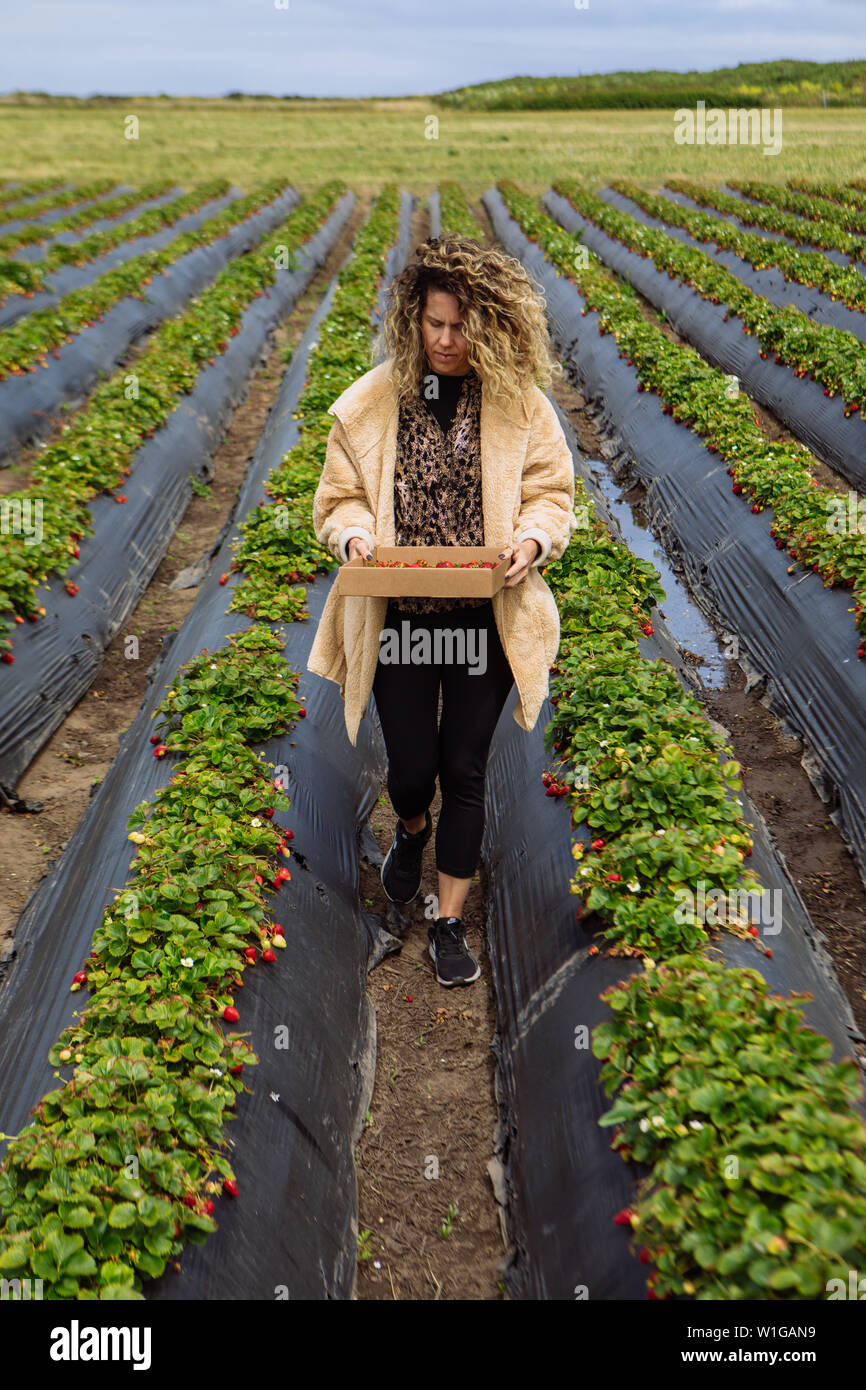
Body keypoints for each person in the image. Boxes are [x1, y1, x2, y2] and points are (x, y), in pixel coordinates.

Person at [307, 234, 576, 987]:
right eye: (434, 324)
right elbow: (339, 499)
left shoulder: (522, 407)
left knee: (464, 766)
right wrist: (355, 533)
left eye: (462, 326)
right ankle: (410, 831)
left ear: (489, 326)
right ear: (412, 320)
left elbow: (552, 495)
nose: (448, 341)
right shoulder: (371, 404)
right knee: (412, 770)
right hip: (402, 616)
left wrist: (531, 540)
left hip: (483, 618)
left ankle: (449, 919)